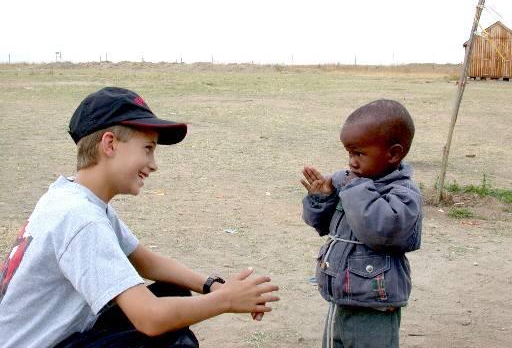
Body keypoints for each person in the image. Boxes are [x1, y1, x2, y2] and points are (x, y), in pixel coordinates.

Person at [0, 87, 279, 348]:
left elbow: (146, 261)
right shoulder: (81, 219)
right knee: (171, 339)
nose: (154, 164)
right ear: (109, 144)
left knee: (173, 292)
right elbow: (150, 318)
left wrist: (212, 285)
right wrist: (226, 300)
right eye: (148, 148)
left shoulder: (71, 195)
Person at [301, 99, 422, 348]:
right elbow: (322, 226)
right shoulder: (355, 182)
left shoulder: (403, 193)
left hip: (375, 307)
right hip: (343, 298)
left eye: (359, 153)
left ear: (394, 154)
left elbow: (380, 231)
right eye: (349, 153)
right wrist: (321, 198)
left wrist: (353, 186)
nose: (351, 162)